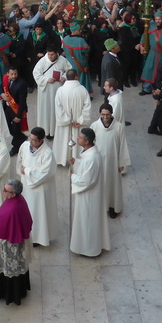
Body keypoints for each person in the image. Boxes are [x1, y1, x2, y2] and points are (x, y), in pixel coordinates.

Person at [0, 178, 33, 306]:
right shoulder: (18, 199)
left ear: (13, 194)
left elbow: (0, 230)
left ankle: (7, 294)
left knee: (9, 270)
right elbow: (2, 211)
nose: (2, 191)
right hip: (16, 242)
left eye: (5, 190)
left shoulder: (12, 210)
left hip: (8, 247)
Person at [69, 127, 110, 257]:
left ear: (86, 142)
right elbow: (85, 166)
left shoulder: (92, 158)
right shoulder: (89, 154)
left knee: (87, 221)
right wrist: (76, 163)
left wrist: (72, 177)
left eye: (79, 137)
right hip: (88, 195)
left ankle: (89, 249)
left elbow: (87, 181)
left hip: (89, 196)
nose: (77, 139)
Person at [17, 127, 58, 246]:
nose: (31, 142)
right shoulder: (25, 146)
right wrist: (22, 171)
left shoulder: (47, 154)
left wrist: (27, 171)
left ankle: (37, 237)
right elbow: (20, 160)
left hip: (39, 189)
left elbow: (45, 173)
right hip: (26, 186)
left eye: (34, 140)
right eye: (30, 138)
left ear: (41, 140)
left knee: (38, 212)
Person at [91, 103, 130, 218]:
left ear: (111, 114)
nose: (105, 117)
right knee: (100, 185)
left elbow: (123, 145)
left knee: (113, 185)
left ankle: (113, 206)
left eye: (107, 115)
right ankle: (101, 206)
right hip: (99, 162)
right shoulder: (94, 126)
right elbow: (91, 145)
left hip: (113, 163)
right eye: (103, 115)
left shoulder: (118, 127)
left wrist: (122, 162)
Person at [54, 69, 92, 166]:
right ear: (76, 77)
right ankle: (78, 159)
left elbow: (58, 108)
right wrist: (80, 120)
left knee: (64, 141)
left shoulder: (60, 90)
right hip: (78, 124)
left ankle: (62, 159)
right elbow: (87, 106)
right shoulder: (83, 90)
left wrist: (67, 120)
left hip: (65, 124)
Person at [33, 48, 70, 138]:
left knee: (57, 109)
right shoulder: (42, 61)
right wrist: (46, 79)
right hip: (46, 92)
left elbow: (69, 70)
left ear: (57, 53)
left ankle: (56, 131)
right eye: (49, 54)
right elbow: (36, 73)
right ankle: (45, 131)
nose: (50, 57)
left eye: (52, 54)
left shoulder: (63, 60)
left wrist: (64, 77)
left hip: (58, 90)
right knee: (46, 110)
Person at [0, 66, 28, 155]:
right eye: (11, 74)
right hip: (7, 108)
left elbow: (22, 101)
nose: (14, 76)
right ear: (7, 74)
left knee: (16, 129)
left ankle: (16, 146)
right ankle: (21, 137)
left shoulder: (21, 84)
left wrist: (18, 116)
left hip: (17, 110)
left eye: (15, 74)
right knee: (8, 127)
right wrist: (2, 94)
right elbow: (1, 88)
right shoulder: (5, 79)